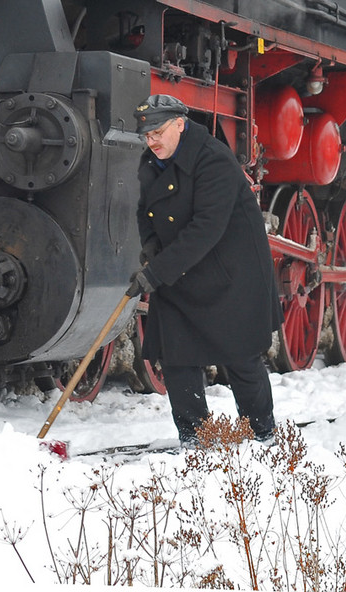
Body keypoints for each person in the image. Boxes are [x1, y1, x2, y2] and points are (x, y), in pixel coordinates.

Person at [127, 94, 280, 444]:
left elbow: (206, 227)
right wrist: (151, 245)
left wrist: (157, 271)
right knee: (178, 356)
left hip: (231, 274)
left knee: (240, 357)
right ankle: (195, 438)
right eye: (146, 136)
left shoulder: (214, 160)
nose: (151, 142)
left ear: (180, 124)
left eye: (158, 133)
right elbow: (145, 210)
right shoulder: (153, 161)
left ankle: (262, 435)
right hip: (182, 270)